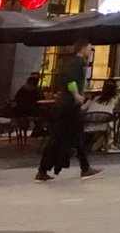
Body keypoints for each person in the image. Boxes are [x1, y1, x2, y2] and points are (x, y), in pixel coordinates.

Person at [36, 39, 102, 181]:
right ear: (83, 48)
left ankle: (82, 167)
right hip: (69, 106)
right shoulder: (77, 63)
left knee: (69, 137)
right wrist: (76, 95)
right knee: (64, 137)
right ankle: (83, 168)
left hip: (66, 106)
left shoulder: (69, 62)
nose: (91, 50)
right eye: (90, 47)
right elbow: (71, 81)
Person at [82, 79, 120, 153]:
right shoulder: (114, 99)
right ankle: (109, 143)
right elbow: (119, 108)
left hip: (89, 124)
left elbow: (83, 108)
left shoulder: (94, 97)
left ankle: (98, 144)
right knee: (114, 121)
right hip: (104, 125)